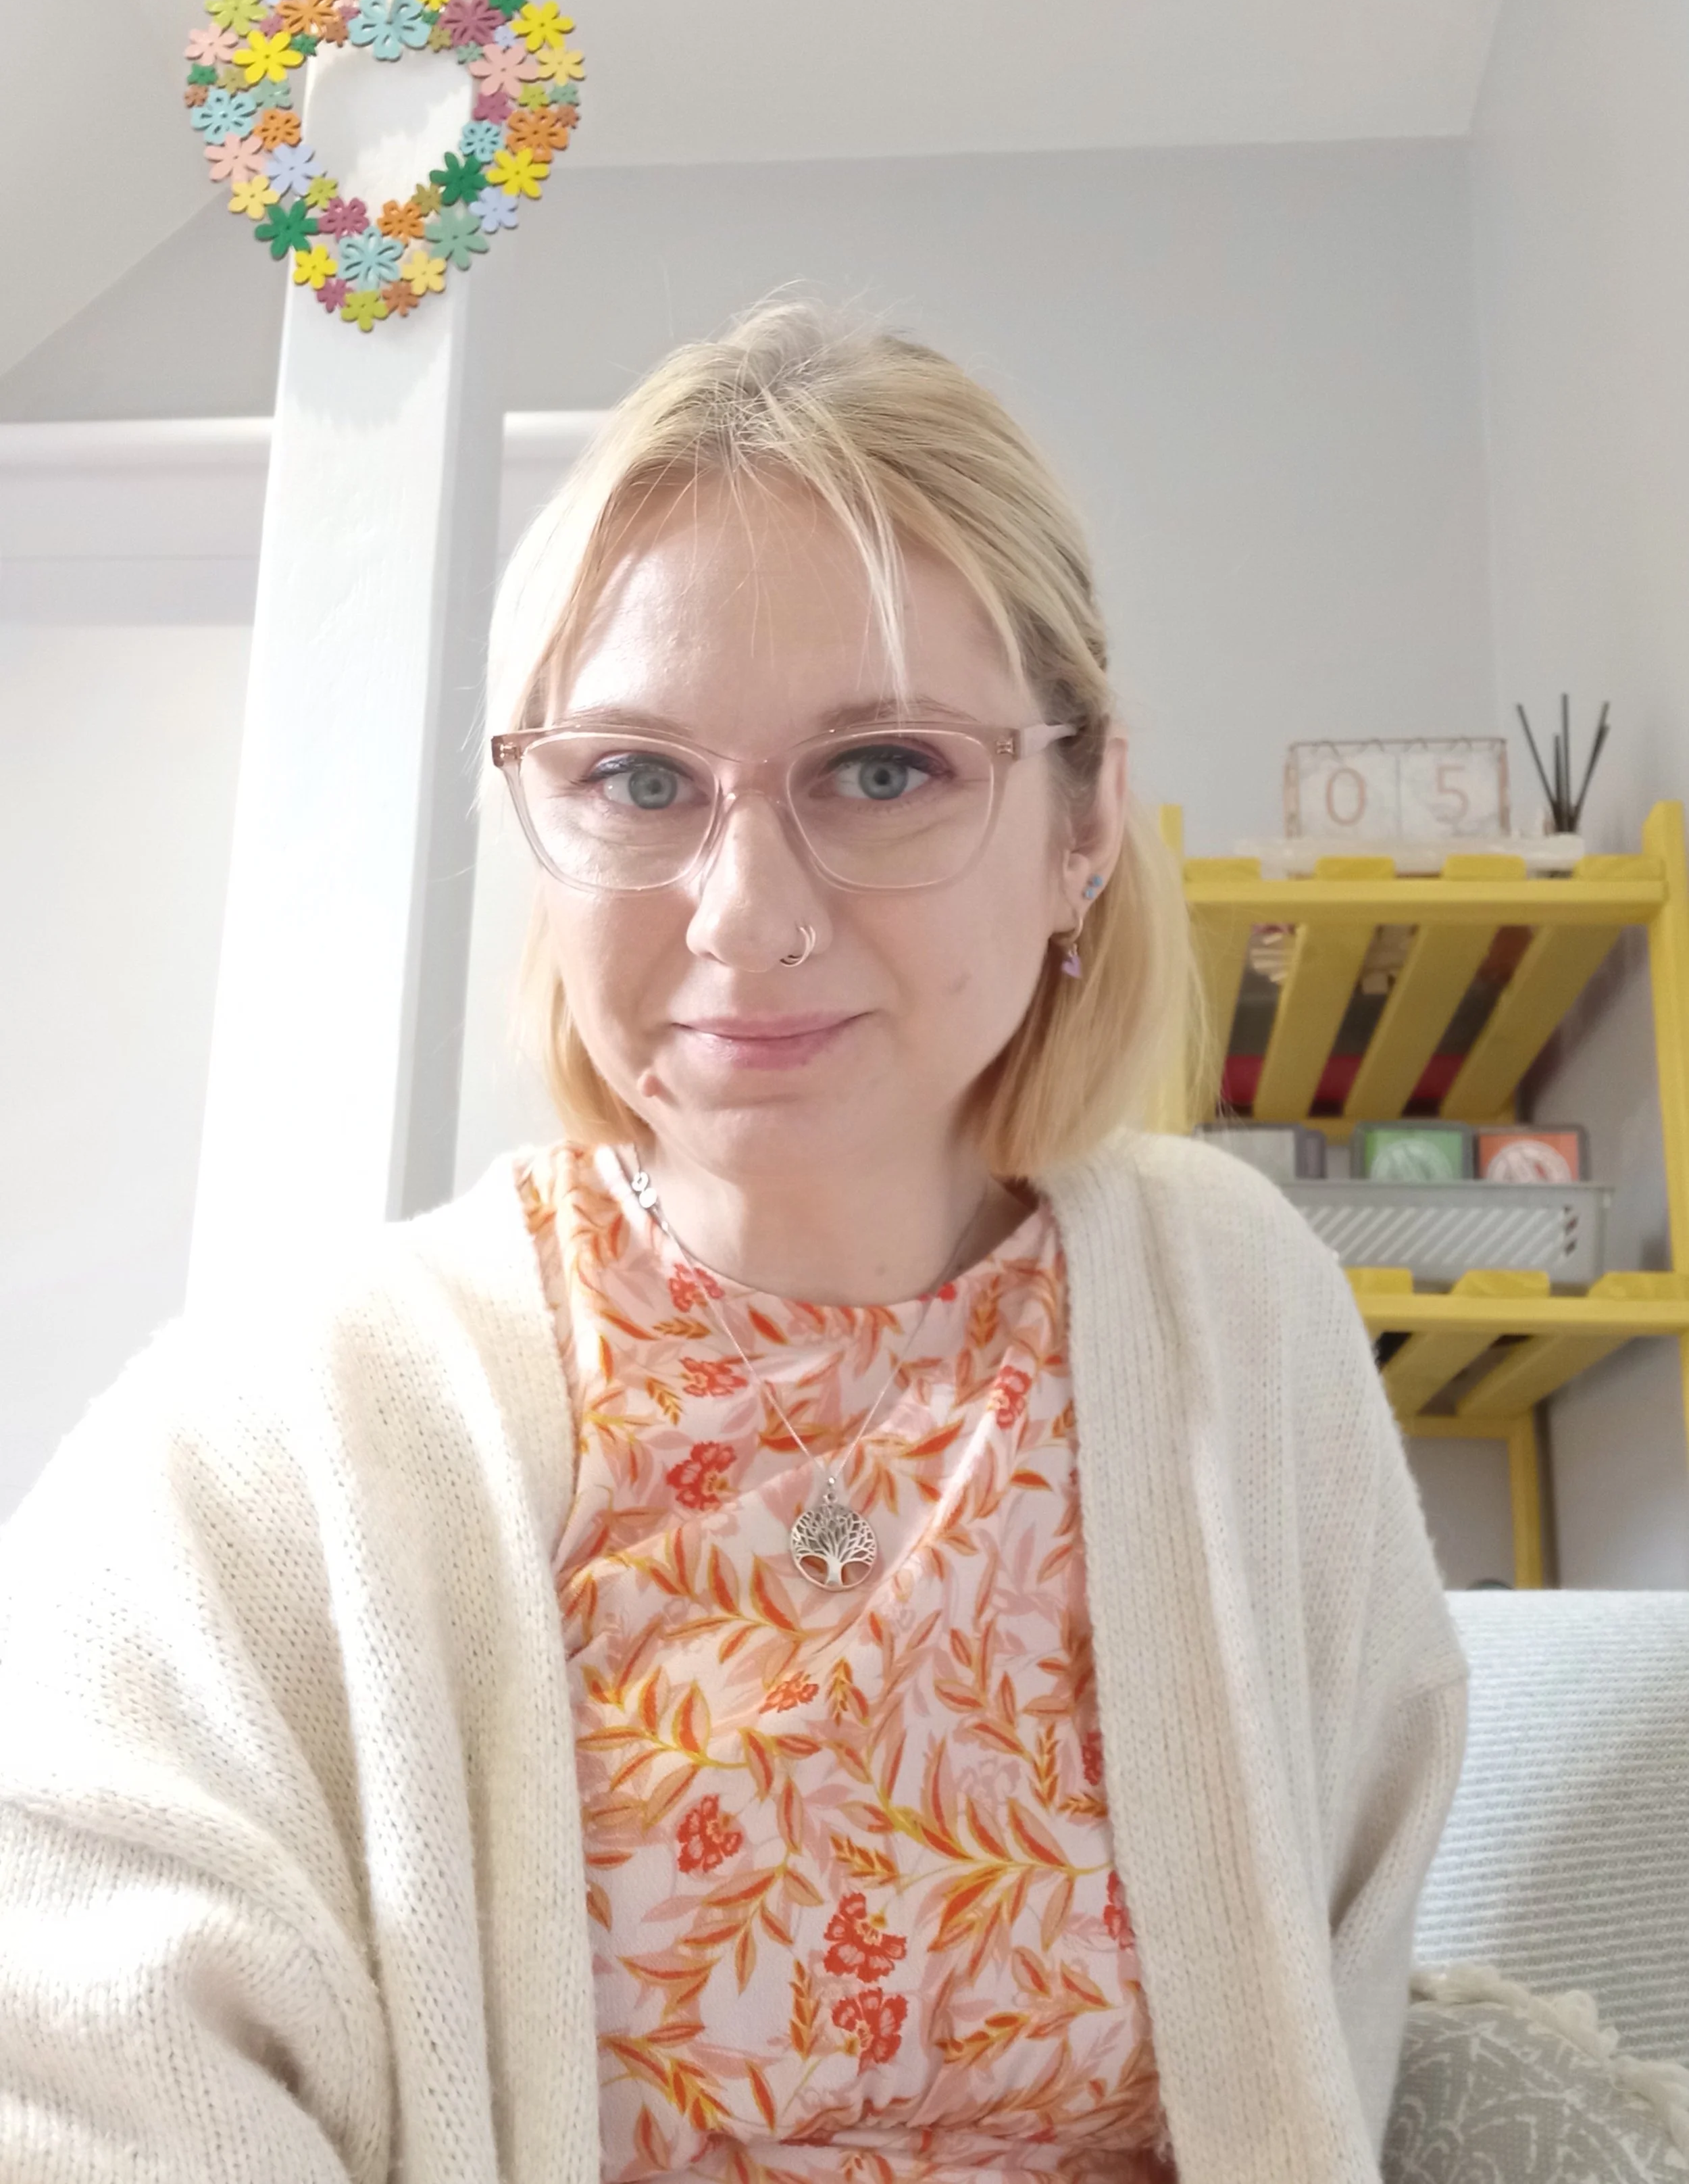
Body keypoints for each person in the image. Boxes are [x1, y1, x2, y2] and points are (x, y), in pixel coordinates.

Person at [0, 298, 1465, 2184]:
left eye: (881, 770)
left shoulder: (1235, 1315)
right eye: (636, 781)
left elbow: (1322, 2009)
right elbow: (64, 2047)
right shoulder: (284, 1431)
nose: (747, 916)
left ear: (1084, 813)